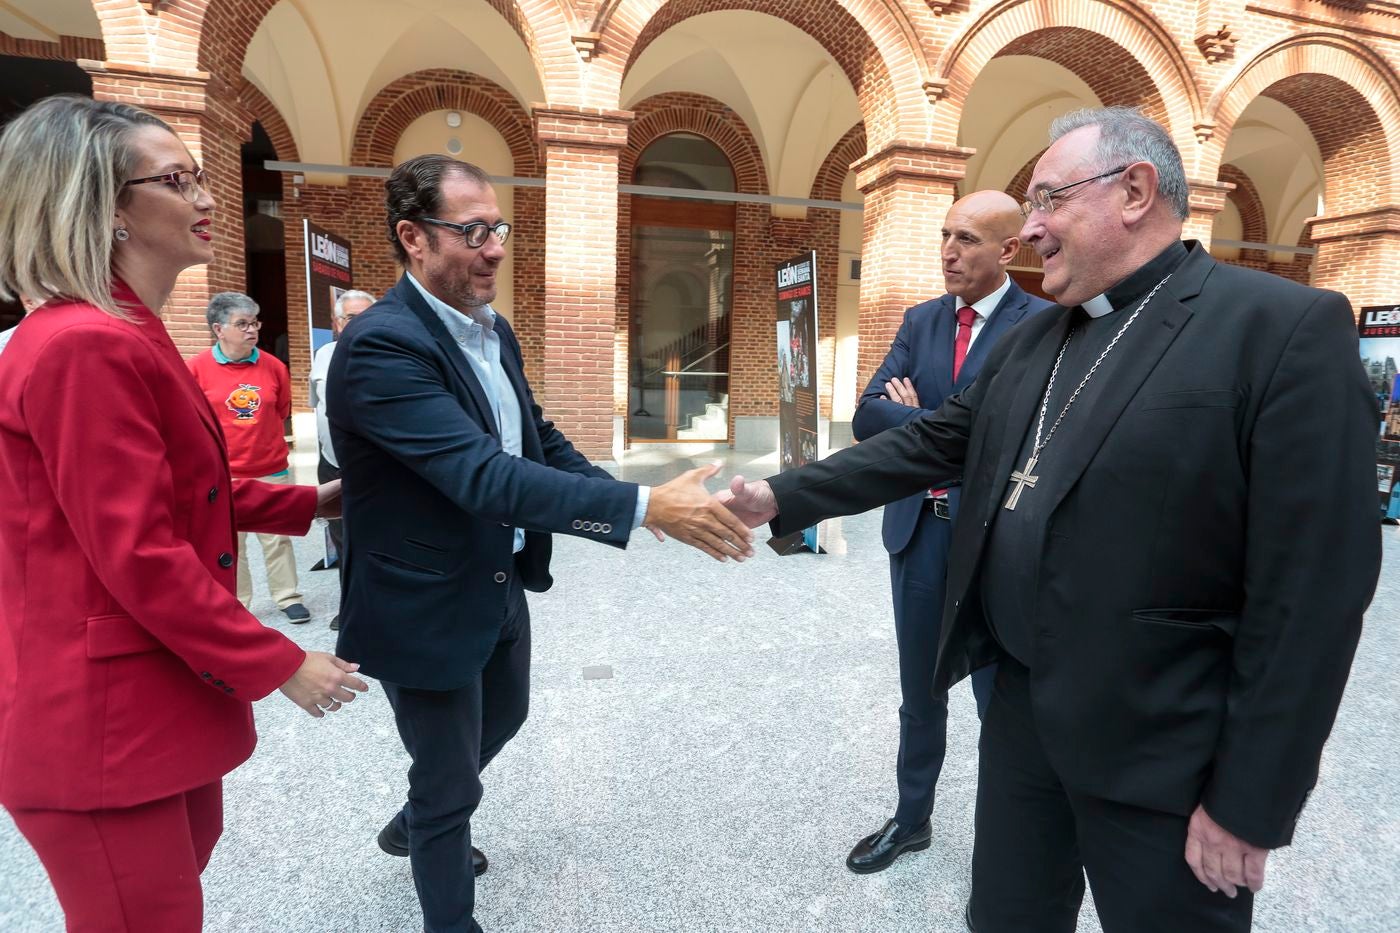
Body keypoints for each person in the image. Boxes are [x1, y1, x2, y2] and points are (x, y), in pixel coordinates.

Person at [720, 106, 1380, 932]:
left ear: (1135, 189)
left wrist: (1250, 802)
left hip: (1166, 757)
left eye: (1047, 199)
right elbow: (933, 438)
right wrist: (782, 495)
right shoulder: (1036, 341)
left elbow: (1312, 598)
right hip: (1026, 722)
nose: (1028, 230)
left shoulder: (1277, 330)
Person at [326, 154, 753, 933]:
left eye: (499, 228)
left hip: (494, 581)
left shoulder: (493, 332)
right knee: (450, 782)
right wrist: (642, 504)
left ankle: (415, 820)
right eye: (473, 230)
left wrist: (637, 505)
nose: (494, 246)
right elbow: (484, 476)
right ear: (412, 238)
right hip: (419, 600)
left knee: (508, 715)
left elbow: (536, 439)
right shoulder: (383, 348)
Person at [0, 94, 368, 932]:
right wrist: (277, 660)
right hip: (96, 723)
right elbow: (139, 552)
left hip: (147, 700)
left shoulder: (127, 329)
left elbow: (188, 491)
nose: (207, 198)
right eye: (177, 180)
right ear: (104, 205)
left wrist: (316, 499)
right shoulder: (85, 343)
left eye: (200, 177)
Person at [845, 190, 1051, 874]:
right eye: (944, 235)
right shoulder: (921, 320)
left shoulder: (1045, 325)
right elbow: (867, 414)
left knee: (1003, 698)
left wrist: (922, 420)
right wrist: (945, 430)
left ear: (1008, 250)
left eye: (966, 238)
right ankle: (912, 819)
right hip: (920, 535)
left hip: (996, 546)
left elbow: (1031, 438)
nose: (949, 251)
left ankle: (1014, 831)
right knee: (919, 690)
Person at [187, 291, 311, 623]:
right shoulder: (196, 369)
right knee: (230, 544)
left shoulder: (274, 367)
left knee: (278, 539)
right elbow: (192, 421)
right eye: (241, 324)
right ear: (218, 329)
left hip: (271, 468)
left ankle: (288, 597)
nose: (251, 330)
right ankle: (238, 603)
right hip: (223, 474)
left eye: (254, 322)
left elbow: (281, 409)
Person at [308, 288, 375, 630]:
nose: (358, 324)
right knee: (341, 535)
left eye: (366, 316)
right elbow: (316, 406)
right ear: (336, 322)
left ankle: (381, 607)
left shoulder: (389, 355)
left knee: (379, 536)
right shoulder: (324, 355)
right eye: (351, 317)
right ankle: (350, 607)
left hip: (376, 465)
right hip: (332, 462)